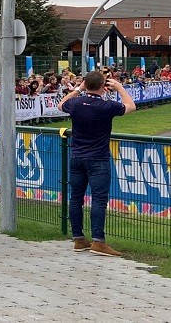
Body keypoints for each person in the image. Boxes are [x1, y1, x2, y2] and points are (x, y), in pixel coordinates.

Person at [58, 70, 136, 257]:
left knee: (76, 198)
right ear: (104, 86)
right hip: (98, 158)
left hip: (77, 155)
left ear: (86, 84)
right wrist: (119, 87)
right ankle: (98, 241)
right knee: (99, 199)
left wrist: (78, 89)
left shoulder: (76, 103)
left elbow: (61, 105)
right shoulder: (106, 106)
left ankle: (78, 238)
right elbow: (130, 106)